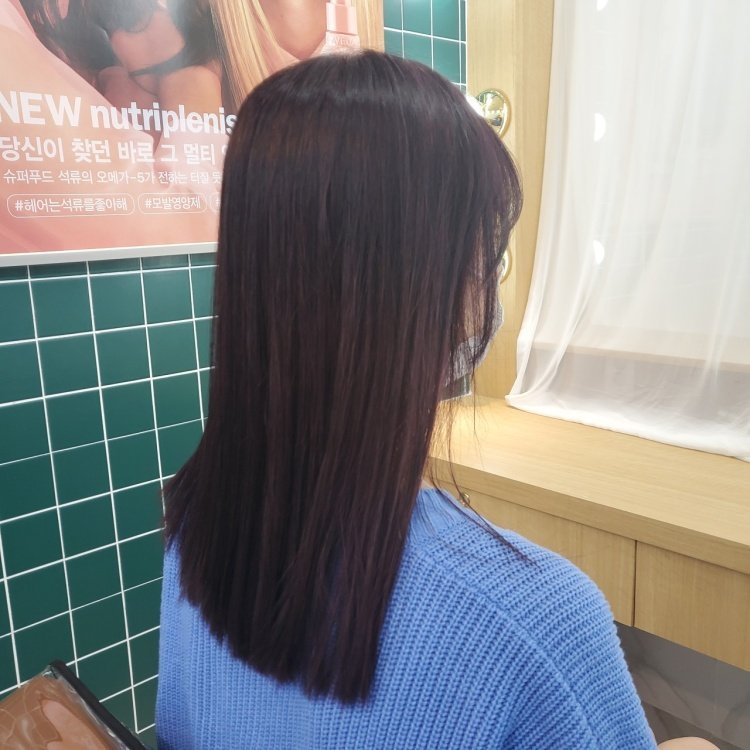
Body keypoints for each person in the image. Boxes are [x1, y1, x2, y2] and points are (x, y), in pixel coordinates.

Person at [156, 51, 716, 750]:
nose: (493, 281)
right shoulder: (537, 620)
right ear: (438, 292)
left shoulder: (195, 526)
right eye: (489, 253)